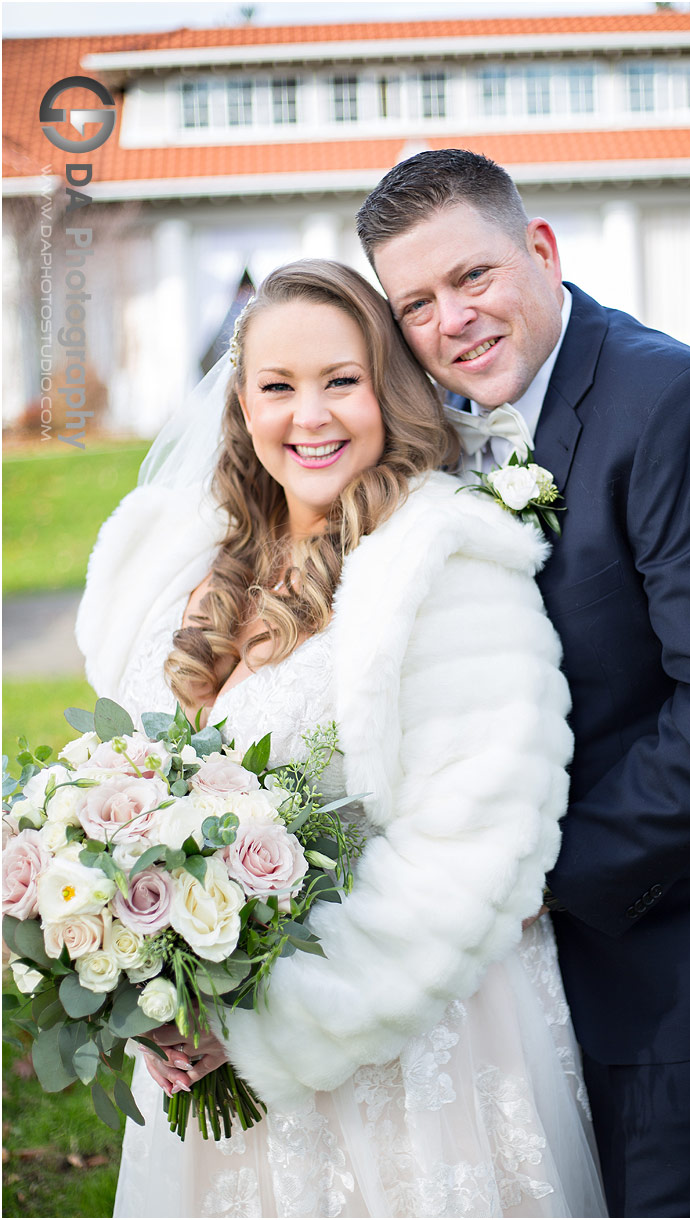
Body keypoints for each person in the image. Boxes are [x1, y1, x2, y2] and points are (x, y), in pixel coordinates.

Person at [76, 260, 607, 1218]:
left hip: (397, 1067)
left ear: (387, 392)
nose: (308, 415)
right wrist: (134, 971)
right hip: (201, 1064)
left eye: (340, 381)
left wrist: (270, 1032)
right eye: (278, 386)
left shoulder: (445, 566)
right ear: (241, 402)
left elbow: (472, 853)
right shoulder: (188, 565)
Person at [355, 148, 690, 1219]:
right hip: (531, 980)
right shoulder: (434, 429)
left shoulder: (674, 405)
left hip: (689, 944)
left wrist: (532, 879)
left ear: (542, 250)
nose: (453, 320)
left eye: (473, 277)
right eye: (415, 303)